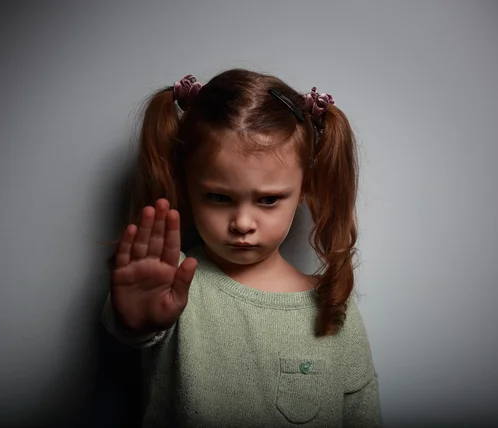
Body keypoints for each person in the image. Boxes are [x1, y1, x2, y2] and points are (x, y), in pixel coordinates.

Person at [102, 68, 382, 427]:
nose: (243, 223)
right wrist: (133, 322)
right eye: (218, 197)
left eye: (267, 200)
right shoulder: (172, 284)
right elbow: (134, 322)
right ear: (186, 184)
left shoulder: (331, 307)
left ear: (305, 188)